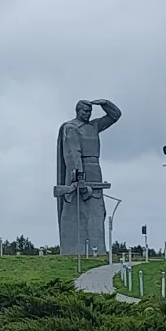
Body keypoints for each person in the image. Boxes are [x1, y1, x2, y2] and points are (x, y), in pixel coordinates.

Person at [56, 99, 122, 254]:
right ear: (77, 110)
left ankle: (97, 249)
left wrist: (105, 103)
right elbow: (73, 155)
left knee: (98, 211)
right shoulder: (71, 128)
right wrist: (80, 178)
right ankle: (77, 249)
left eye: (90, 112)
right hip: (81, 172)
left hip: (96, 170)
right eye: (85, 111)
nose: (88, 114)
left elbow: (115, 116)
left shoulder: (94, 126)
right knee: (79, 210)